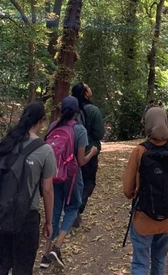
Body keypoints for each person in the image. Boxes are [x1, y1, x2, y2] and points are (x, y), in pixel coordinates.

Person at [0, 102, 56, 275]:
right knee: (23, 267)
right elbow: (47, 190)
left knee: (2, 260)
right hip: (27, 216)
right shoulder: (45, 150)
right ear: (41, 121)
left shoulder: (8, 142)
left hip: (2, 212)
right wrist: (49, 222)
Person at [123, 107, 168, 275]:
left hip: (143, 218)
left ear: (147, 124)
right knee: (159, 260)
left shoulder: (139, 151)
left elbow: (127, 190)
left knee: (140, 264)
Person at [40, 96, 98, 269]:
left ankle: (44, 256)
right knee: (73, 207)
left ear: (61, 109)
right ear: (77, 111)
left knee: (55, 210)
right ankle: (57, 247)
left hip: (53, 174)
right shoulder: (79, 130)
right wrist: (92, 152)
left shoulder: (53, 126)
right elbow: (80, 161)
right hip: (71, 176)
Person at [71, 82, 105, 223]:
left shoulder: (71, 109)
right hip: (88, 151)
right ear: (85, 93)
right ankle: (76, 210)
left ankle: (70, 209)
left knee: (73, 182)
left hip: (70, 151)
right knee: (88, 182)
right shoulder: (93, 110)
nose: (90, 88)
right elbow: (99, 134)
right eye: (88, 87)